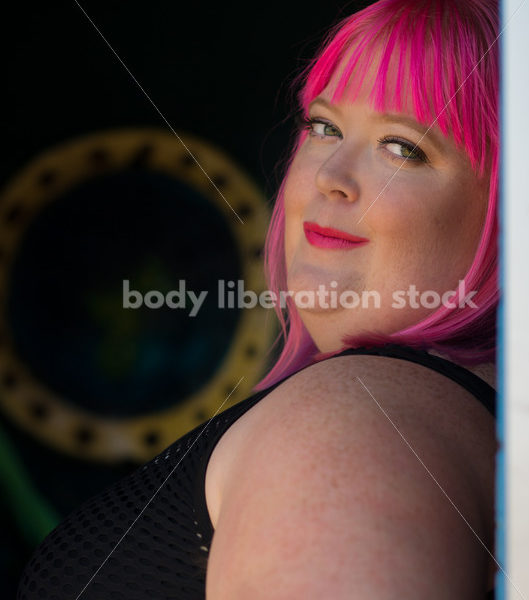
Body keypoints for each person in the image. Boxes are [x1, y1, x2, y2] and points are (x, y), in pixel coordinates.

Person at [17, 0, 500, 598]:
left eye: (403, 147)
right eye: (324, 127)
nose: (331, 175)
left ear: (512, 208)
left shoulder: (344, 425)